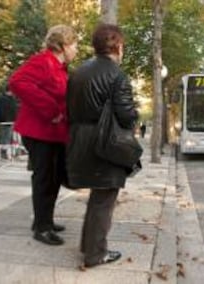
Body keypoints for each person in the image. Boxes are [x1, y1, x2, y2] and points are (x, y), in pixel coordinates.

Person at [66, 24, 139, 267]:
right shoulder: (117, 74)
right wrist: (134, 116)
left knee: (98, 197)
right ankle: (96, 254)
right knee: (104, 198)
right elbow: (126, 115)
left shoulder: (78, 72)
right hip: (106, 142)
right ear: (118, 45)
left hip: (80, 139)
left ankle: (88, 247)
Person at [8, 25, 78, 246]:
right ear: (64, 45)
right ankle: (41, 228)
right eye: (74, 44)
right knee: (44, 179)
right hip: (39, 132)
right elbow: (17, 82)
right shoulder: (43, 61)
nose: (76, 49)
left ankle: (45, 219)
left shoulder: (60, 67)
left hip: (54, 134)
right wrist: (51, 110)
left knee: (53, 178)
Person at [0, 84, 18, 159]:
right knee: (5, 138)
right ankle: (3, 153)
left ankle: (16, 153)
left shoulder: (13, 99)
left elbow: (15, 110)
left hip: (13, 121)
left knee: (14, 138)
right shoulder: (1, 98)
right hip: (5, 121)